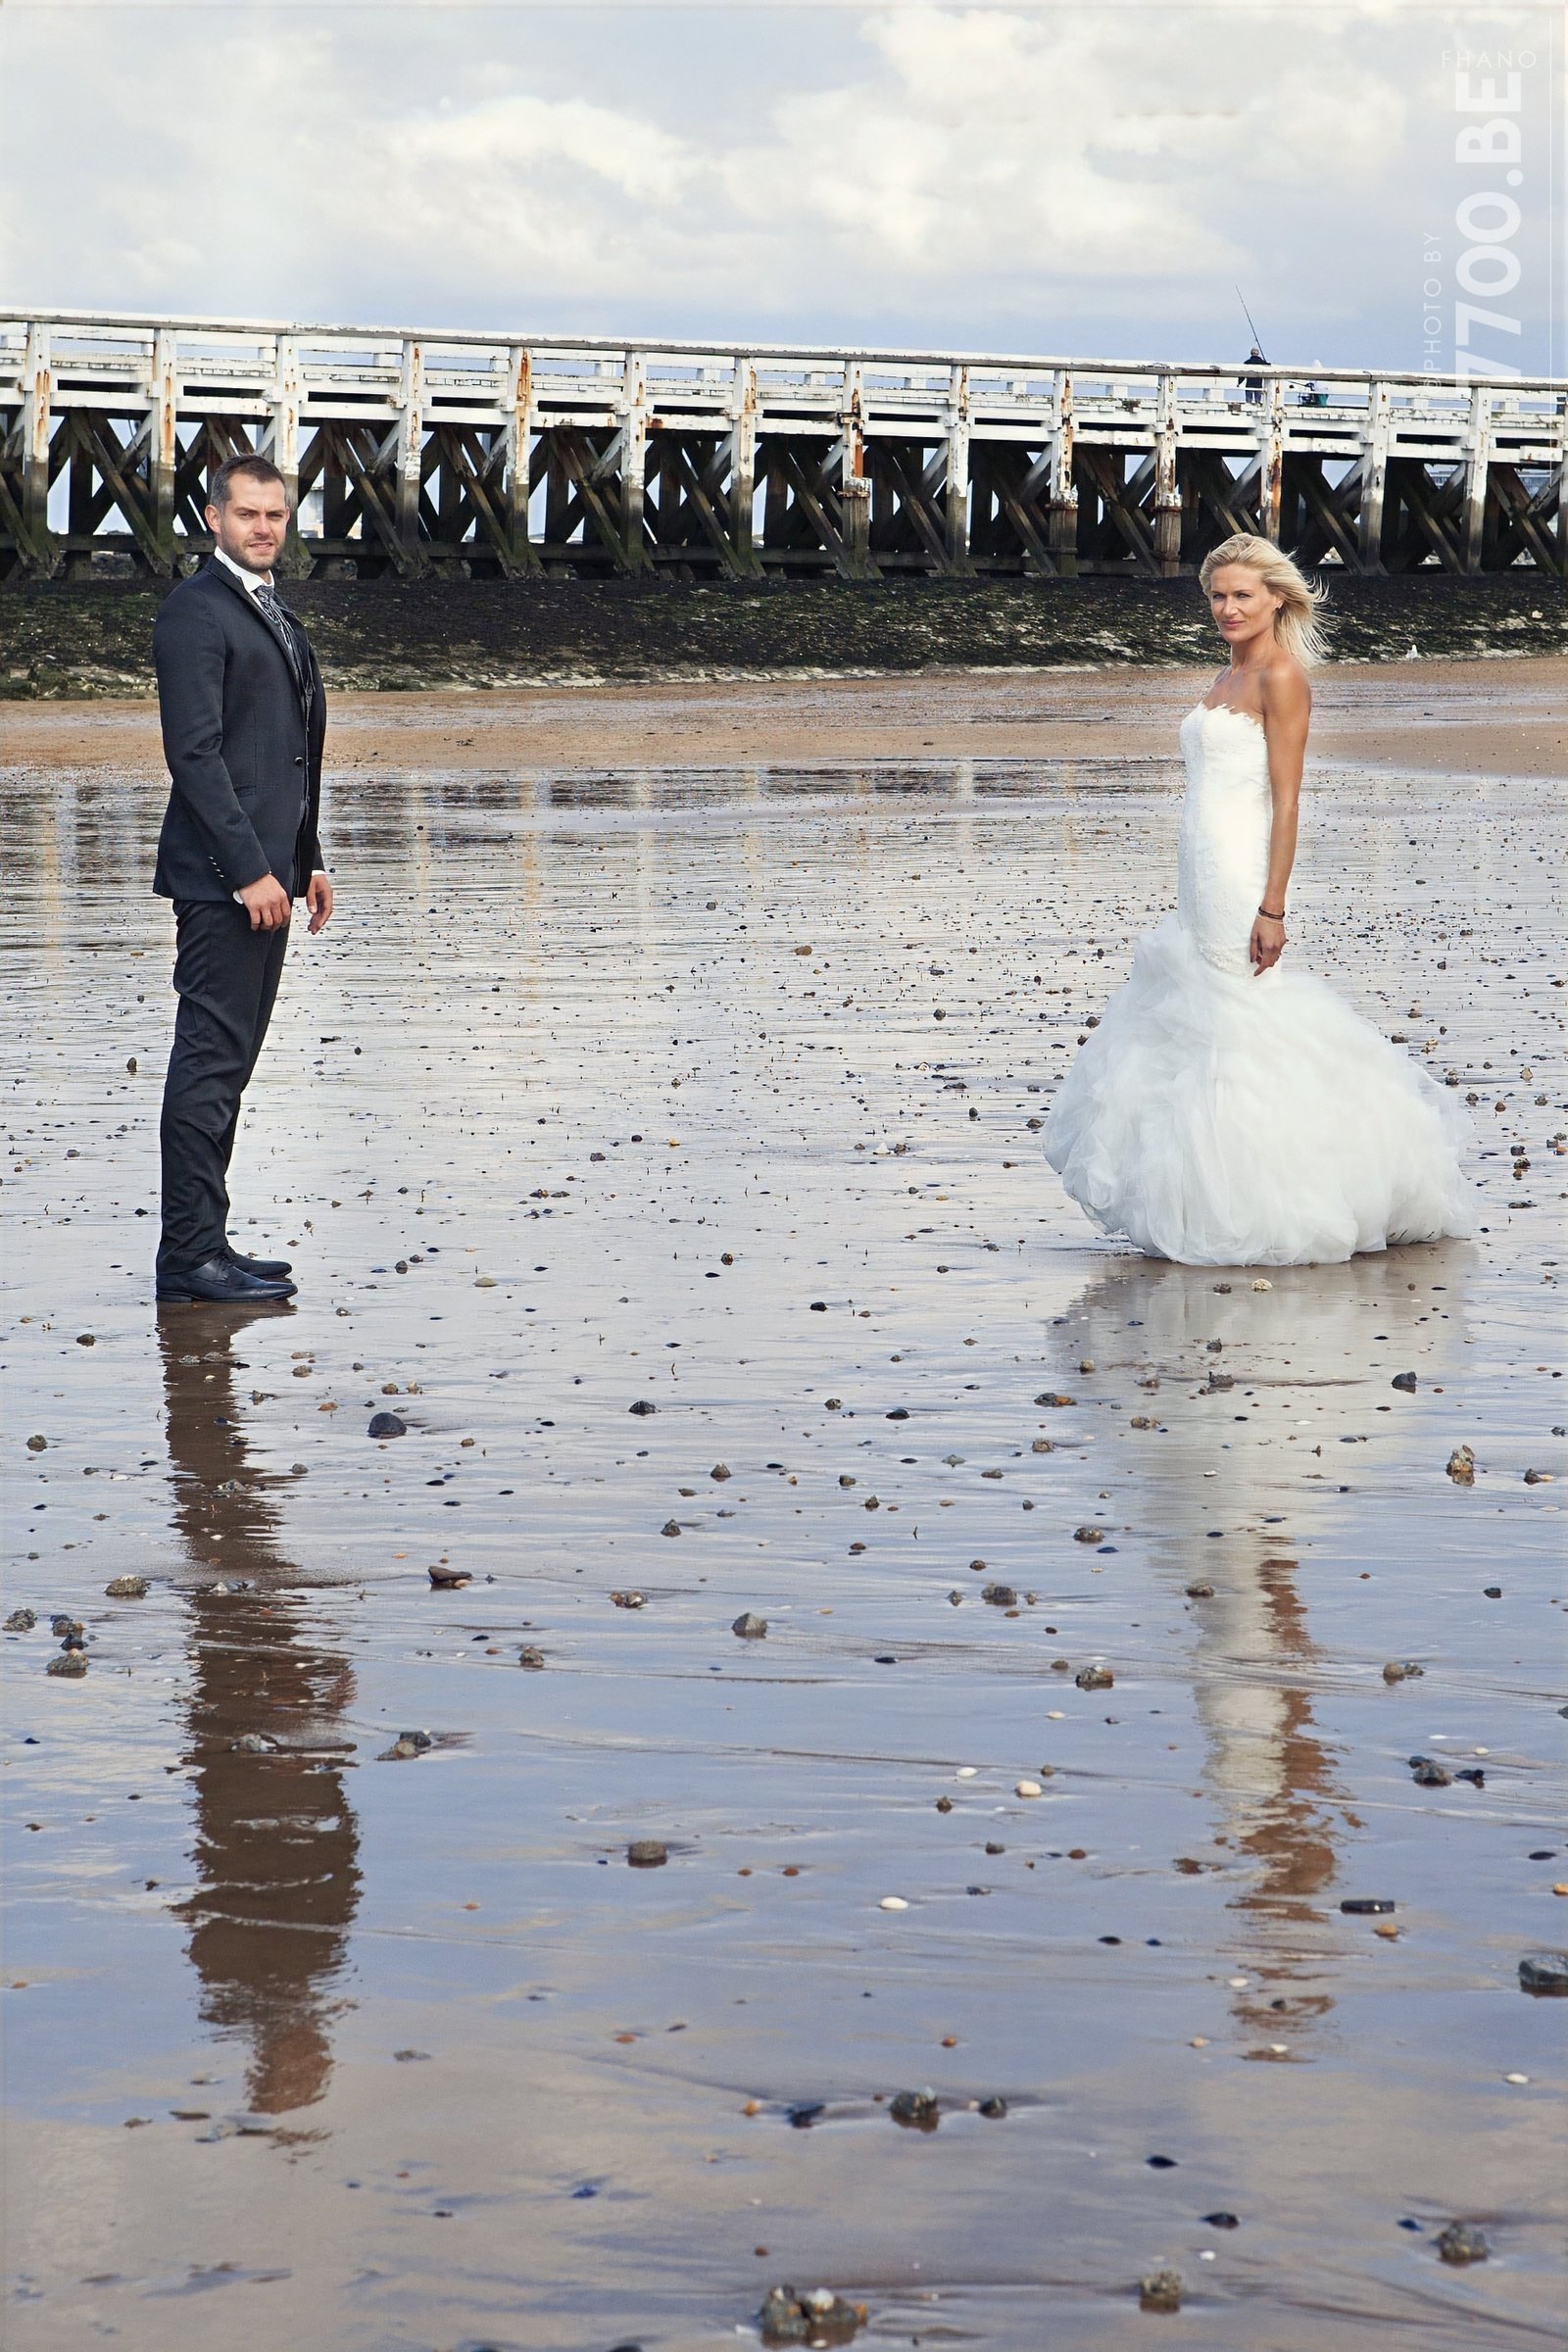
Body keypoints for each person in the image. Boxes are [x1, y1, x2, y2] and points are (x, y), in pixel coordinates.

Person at [1039, 532, 1472, 1266]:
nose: (1228, 608)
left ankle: (1269, 1194)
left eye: (1243, 595)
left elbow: (1288, 800)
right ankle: (1196, 1191)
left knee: (1241, 1018)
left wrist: (1273, 906)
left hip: (1240, 873)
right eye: (1218, 595)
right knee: (1198, 1017)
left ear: (1276, 597)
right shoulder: (1223, 675)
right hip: (1197, 869)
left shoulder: (1280, 677)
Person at [152, 452, 333, 1303]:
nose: (264, 528)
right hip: (226, 882)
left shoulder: (270, 608)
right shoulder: (196, 613)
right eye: (248, 513)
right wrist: (250, 872)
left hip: (270, 875)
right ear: (215, 519)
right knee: (208, 1062)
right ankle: (189, 1258)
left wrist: (310, 858)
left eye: (276, 515)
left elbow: (285, 750)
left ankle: (209, 1241)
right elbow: (196, 756)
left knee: (233, 1064)